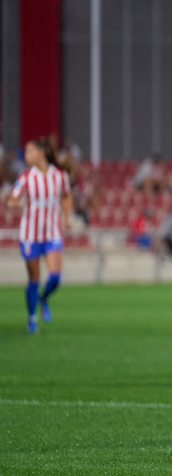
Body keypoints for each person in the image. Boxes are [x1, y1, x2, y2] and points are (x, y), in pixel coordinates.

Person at [7, 138, 72, 333]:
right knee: (34, 278)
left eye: (29, 151)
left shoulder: (59, 175)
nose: (26, 156)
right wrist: (15, 203)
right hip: (30, 235)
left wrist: (67, 216)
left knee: (55, 277)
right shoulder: (26, 176)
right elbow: (13, 198)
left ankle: (44, 298)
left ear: (41, 153)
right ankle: (32, 316)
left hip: (52, 232)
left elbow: (67, 195)